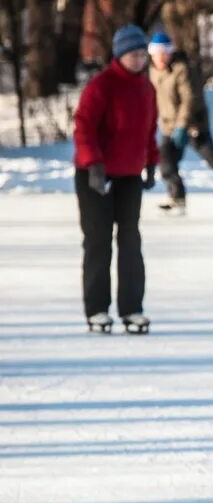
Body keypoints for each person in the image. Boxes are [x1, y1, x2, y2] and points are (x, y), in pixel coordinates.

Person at [72, 24, 160, 334]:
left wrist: (152, 162)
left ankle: (132, 309)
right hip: (95, 175)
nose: (138, 60)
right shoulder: (101, 86)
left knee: (130, 240)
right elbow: (84, 127)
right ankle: (97, 309)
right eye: (132, 55)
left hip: (129, 175)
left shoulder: (146, 89)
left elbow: (148, 130)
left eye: (142, 55)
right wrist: (93, 164)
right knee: (98, 242)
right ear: (119, 55)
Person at [149, 30, 213, 212]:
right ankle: (177, 197)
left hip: (194, 124)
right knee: (166, 163)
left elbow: (189, 99)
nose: (161, 58)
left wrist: (182, 126)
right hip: (169, 126)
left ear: (170, 53)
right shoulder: (153, 73)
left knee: (212, 158)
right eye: (157, 54)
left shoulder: (182, 69)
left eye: (164, 53)